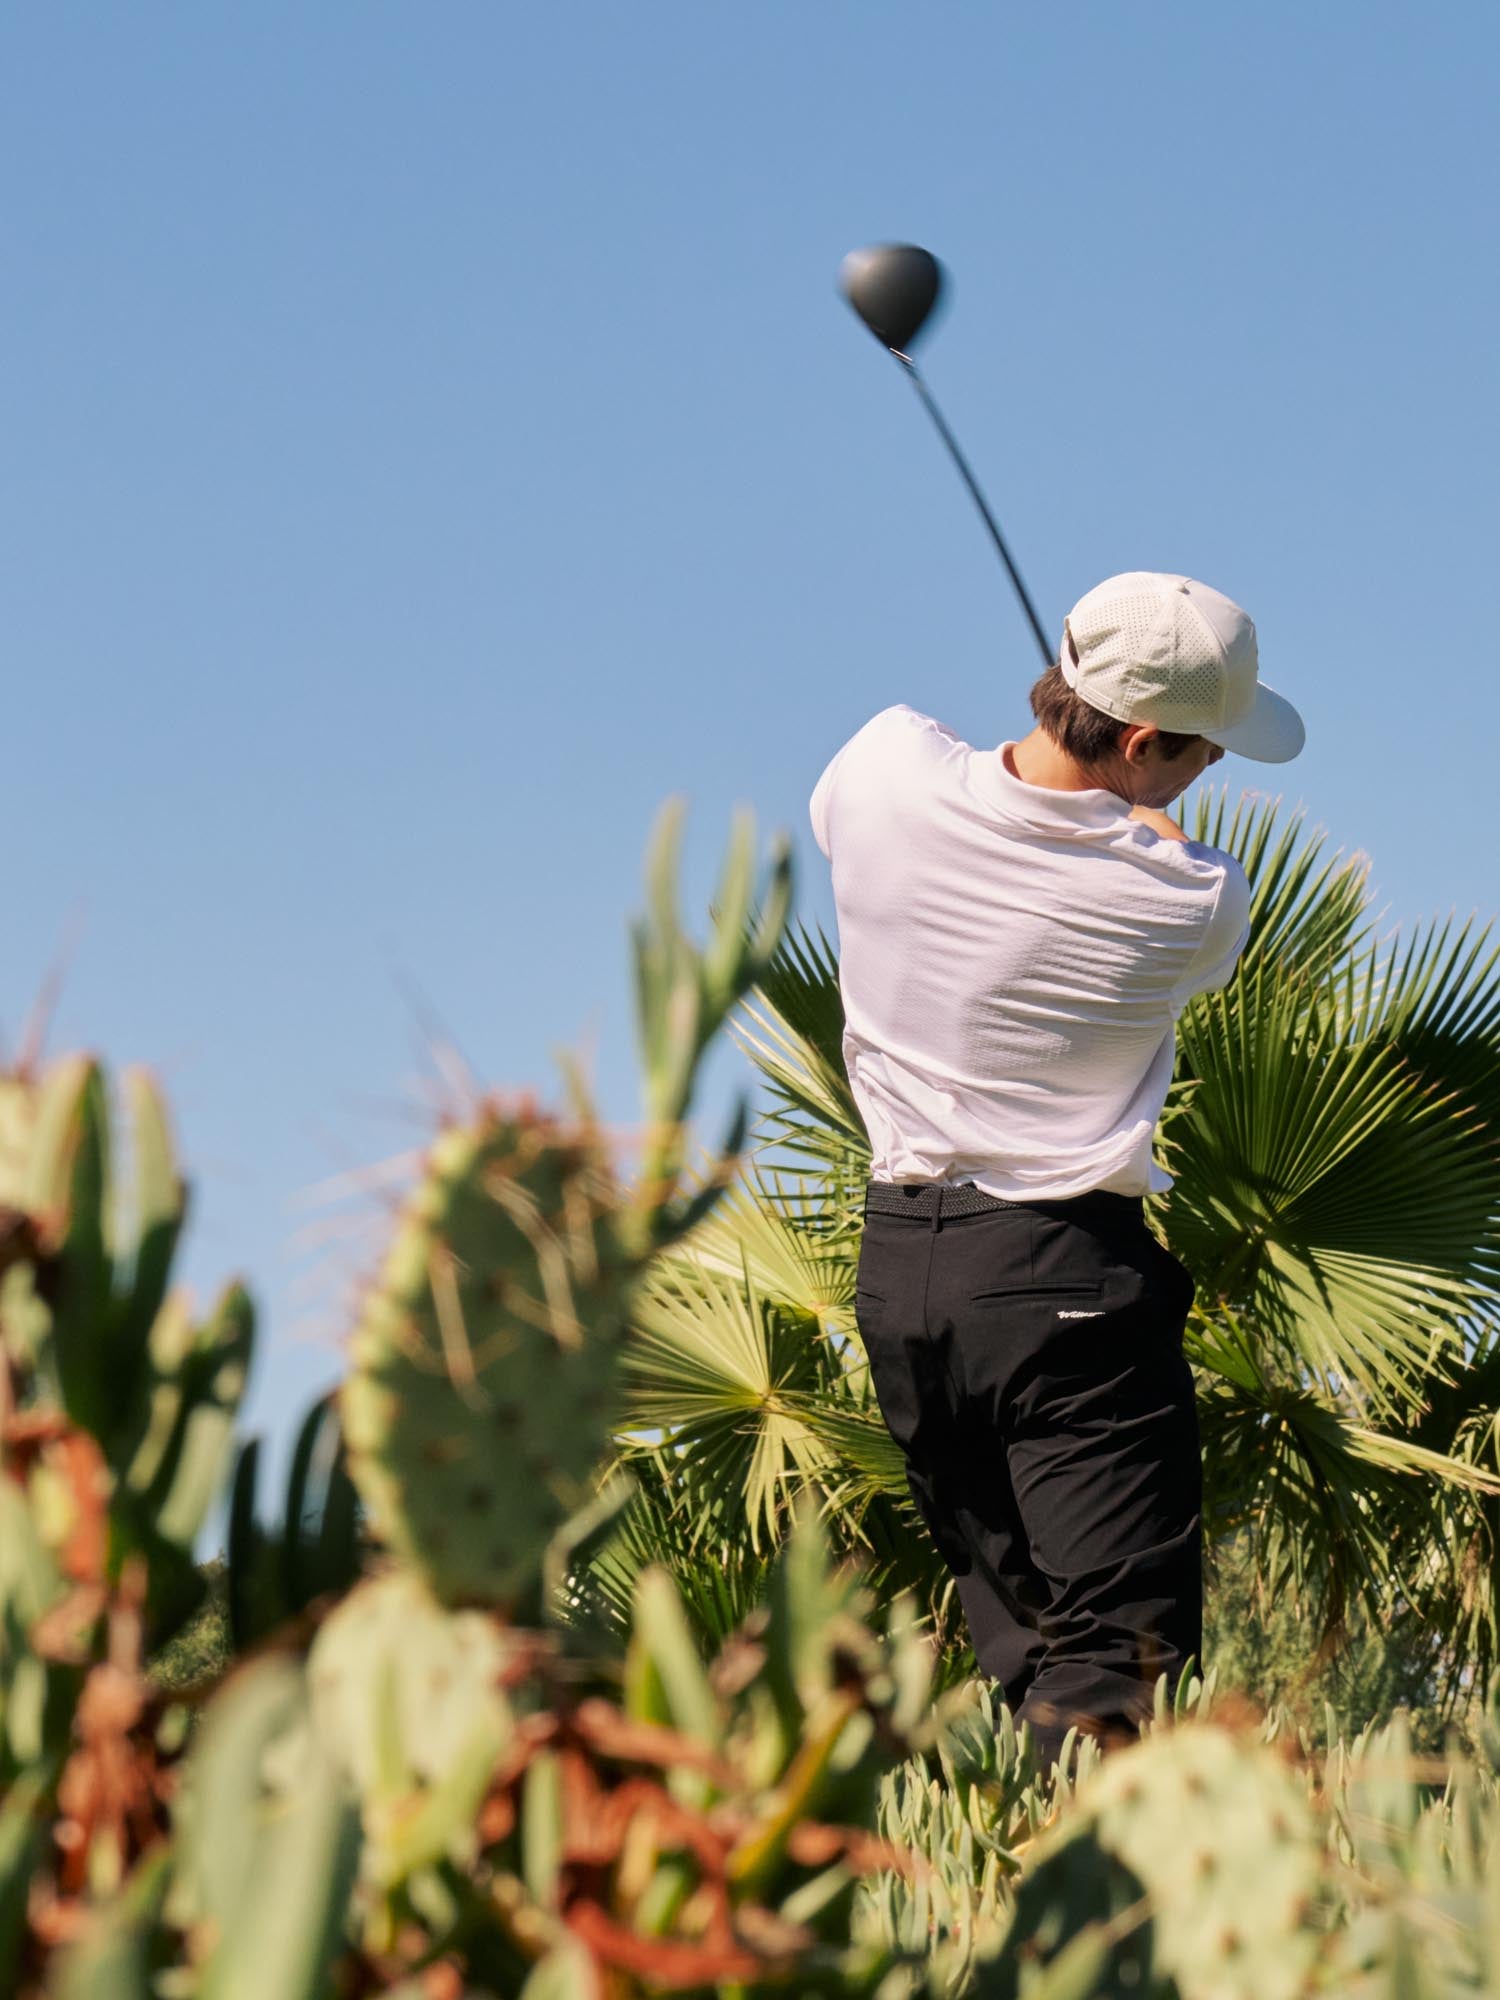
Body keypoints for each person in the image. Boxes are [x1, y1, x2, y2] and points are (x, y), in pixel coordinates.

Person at [809, 570, 1305, 1765]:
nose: (1204, 776)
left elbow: (952, 778)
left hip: (902, 1283)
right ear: (1140, 738)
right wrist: (1149, 813)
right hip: (1061, 1280)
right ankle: (1088, 1931)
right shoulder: (1184, 901)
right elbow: (1168, 856)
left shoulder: (879, 768)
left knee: (1026, 1641)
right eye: (1200, 754)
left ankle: (1004, 1910)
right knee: (1110, 1659)